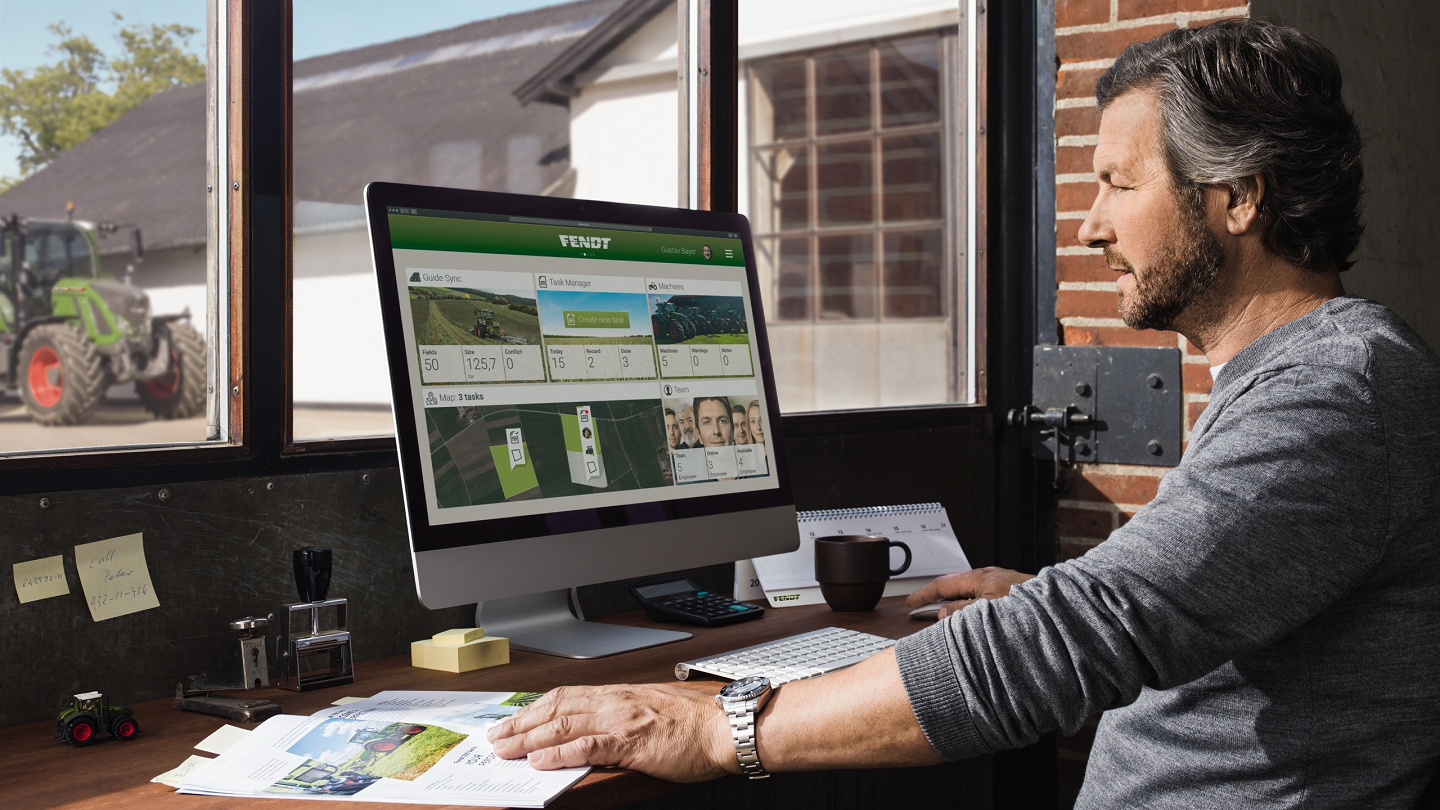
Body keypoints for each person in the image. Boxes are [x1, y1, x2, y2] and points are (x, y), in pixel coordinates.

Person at [487, 20, 1440, 807]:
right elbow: (1187, 604)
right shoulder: (1304, 379)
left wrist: (714, 725)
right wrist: (1039, 599)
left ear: (1236, 197)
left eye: (1117, 183)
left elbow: (1083, 637)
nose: (1090, 226)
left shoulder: (1338, 390)